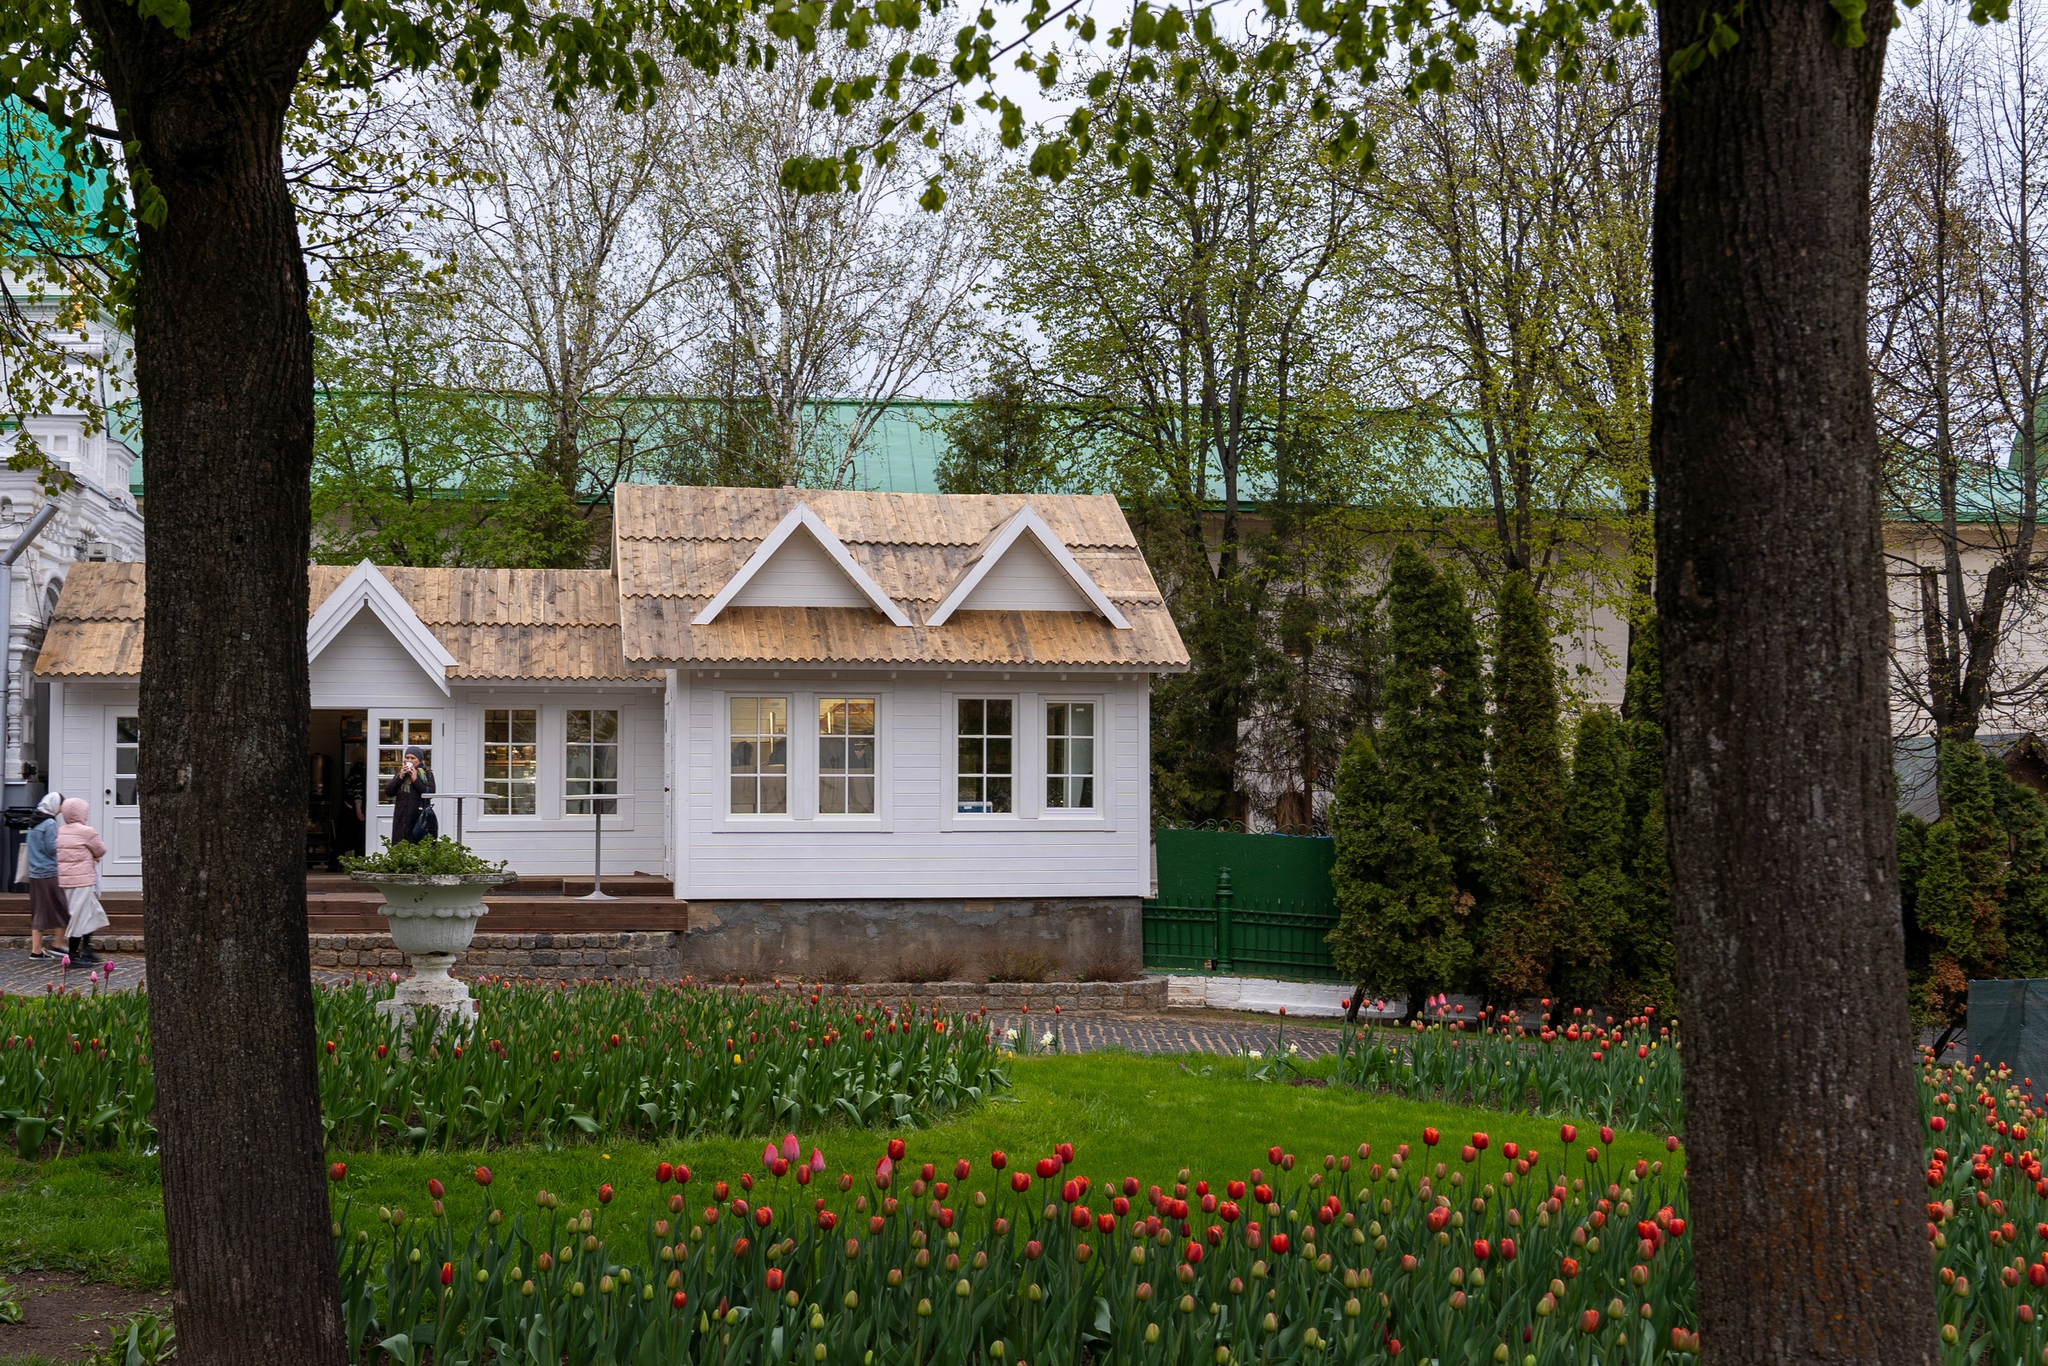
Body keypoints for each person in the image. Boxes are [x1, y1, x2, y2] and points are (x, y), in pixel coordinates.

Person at [55, 796, 108, 965]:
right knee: (79, 915)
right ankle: (73, 954)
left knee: (92, 913)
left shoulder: (62, 830)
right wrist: (94, 855)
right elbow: (101, 849)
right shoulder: (87, 831)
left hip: (66, 880)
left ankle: (86, 949)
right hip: (81, 881)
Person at [24, 790, 64, 959]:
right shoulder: (49, 823)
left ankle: (36, 950)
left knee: (39, 910)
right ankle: (58, 944)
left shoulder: (33, 822)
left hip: (35, 873)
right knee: (63, 908)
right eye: (61, 804)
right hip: (49, 872)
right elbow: (51, 848)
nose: (62, 809)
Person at [384, 745, 435, 845]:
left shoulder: (427, 774)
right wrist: (400, 777)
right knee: (400, 844)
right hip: (401, 816)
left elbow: (429, 792)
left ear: (419, 760)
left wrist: (415, 779)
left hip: (418, 816)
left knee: (416, 844)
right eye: (407, 758)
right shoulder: (400, 774)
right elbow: (389, 792)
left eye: (413, 758)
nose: (409, 760)